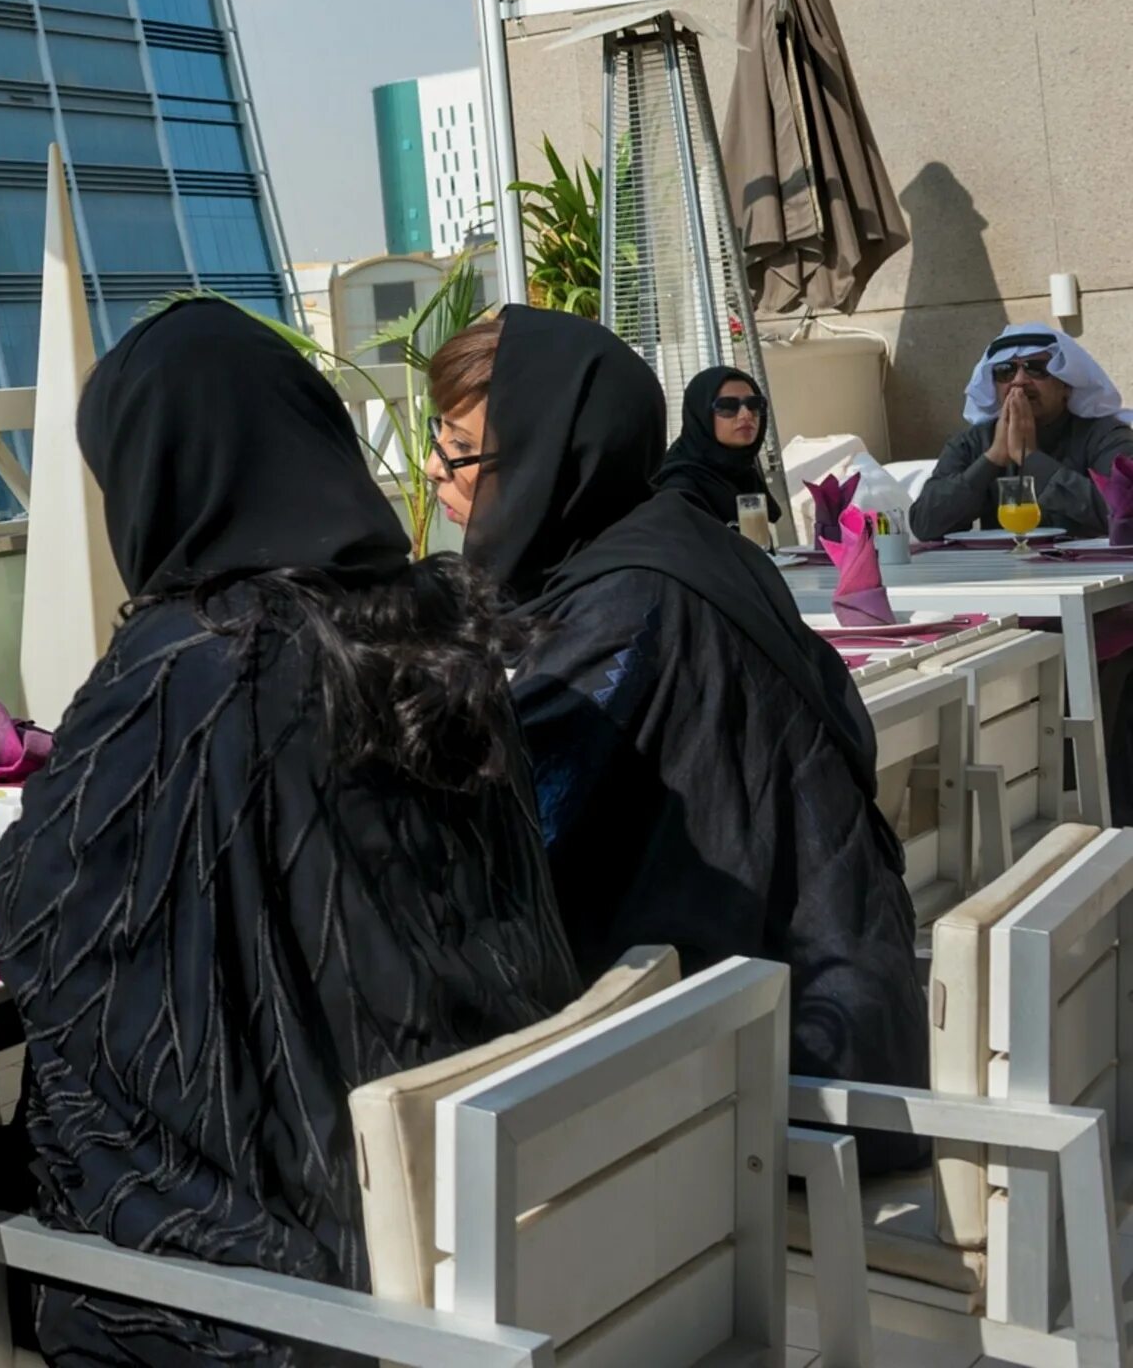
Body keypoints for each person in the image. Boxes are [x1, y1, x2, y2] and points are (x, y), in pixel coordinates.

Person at [0, 300, 581, 1367]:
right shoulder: (437, 617)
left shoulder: (195, 664)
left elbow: (41, 915)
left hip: (310, 1275)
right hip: (504, 1208)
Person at [429, 307, 926, 1109]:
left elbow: (512, 824)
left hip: (769, 1075)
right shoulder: (680, 545)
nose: (431, 471)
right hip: (838, 994)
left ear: (547, 457)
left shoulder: (623, 603)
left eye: (458, 450)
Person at [911, 322, 1133, 540]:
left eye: (1036, 369)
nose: (1019, 381)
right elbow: (924, 525)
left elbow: (1124, 515)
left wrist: (1031, 458)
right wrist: (991, 459)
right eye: (1005, 371)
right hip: (1002, 572)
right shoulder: (974, 442)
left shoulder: (1105, 436)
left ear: (1066, 384)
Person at [652, 366, 779, 527]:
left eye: (754, 404)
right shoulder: (679, 490)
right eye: (727, 406)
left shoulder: (744, 474)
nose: (746, 414)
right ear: (701, 416)